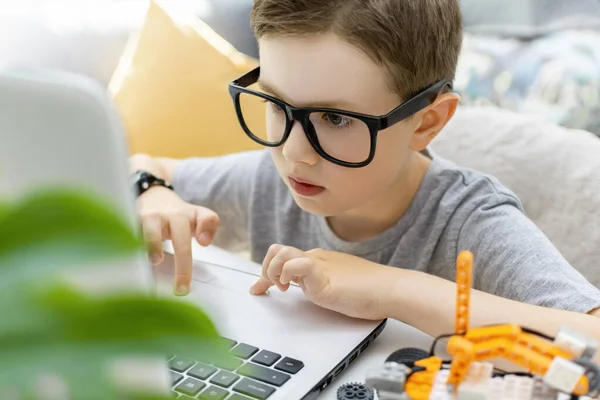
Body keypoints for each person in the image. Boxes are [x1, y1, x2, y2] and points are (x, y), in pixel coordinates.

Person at [130, 0, 600, 359]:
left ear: (427, 122)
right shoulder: (270, 182)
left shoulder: (469, 221)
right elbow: (146, 165)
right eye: (276, 105)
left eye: (334, 119)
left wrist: (388, 289)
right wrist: (150, 192)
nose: (293, 151)